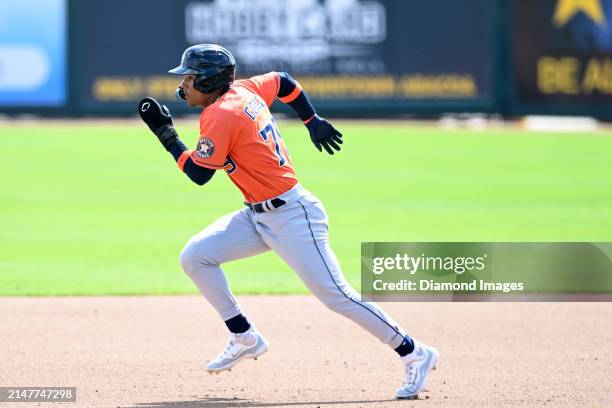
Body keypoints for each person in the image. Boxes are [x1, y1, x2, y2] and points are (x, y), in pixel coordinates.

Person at [138, 44, 438, 399]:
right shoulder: (244, 89)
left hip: (294, 217)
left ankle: (415, 352)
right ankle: (243, 335)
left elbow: (198, 175)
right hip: (257, 215)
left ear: (208, 80)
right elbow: (283, 81)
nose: (183, 85)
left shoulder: (220, 115)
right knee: (195, 257)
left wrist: (165, 134)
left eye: (189, 78)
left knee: (337, 296)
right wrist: (311, 119)